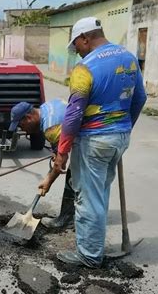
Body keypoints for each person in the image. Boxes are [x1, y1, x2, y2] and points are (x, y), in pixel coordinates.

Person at [39, 17, 147, 268]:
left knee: (88, 198)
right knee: (100, 193)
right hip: (119, 138)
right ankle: (94, 245)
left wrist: (62, 152)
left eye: (76, 45)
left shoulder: (84, 69)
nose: (75, 51)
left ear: (85, 38)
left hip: (94, 141)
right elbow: (140, 98)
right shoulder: (129, 57)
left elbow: (74, 114)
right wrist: (124, 128)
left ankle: (88, 255)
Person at [8, 98, 75, 229]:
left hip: (92, 141)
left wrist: (48, 181)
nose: (25, 131)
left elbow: (60, 163)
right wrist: (57, 150)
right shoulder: (47, 106)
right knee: (74, 178)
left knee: (77, 180)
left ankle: (69, 220)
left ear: (28, 117)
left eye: (22, 126)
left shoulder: (50, 127)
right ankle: (69, 217)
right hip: (97, 135)